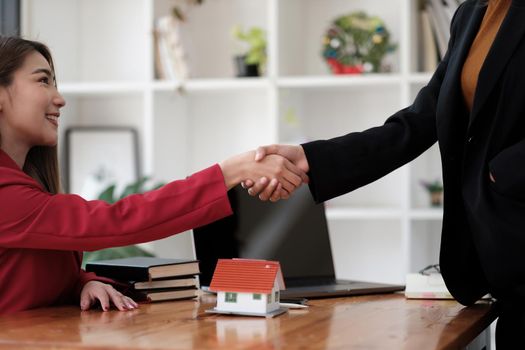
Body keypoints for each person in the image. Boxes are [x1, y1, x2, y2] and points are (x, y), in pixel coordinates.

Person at [245, 0, 525, 346]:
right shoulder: (473, 14)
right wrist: (311, 159)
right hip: (507, 264)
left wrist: (504, 172)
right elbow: (420, 121)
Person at [0, 35, 307, 315]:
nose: (59, 98)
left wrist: (82, 283)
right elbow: (117, 220)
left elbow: (27, 267)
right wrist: (230, 172)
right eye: (43, 81)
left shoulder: (25, 187)